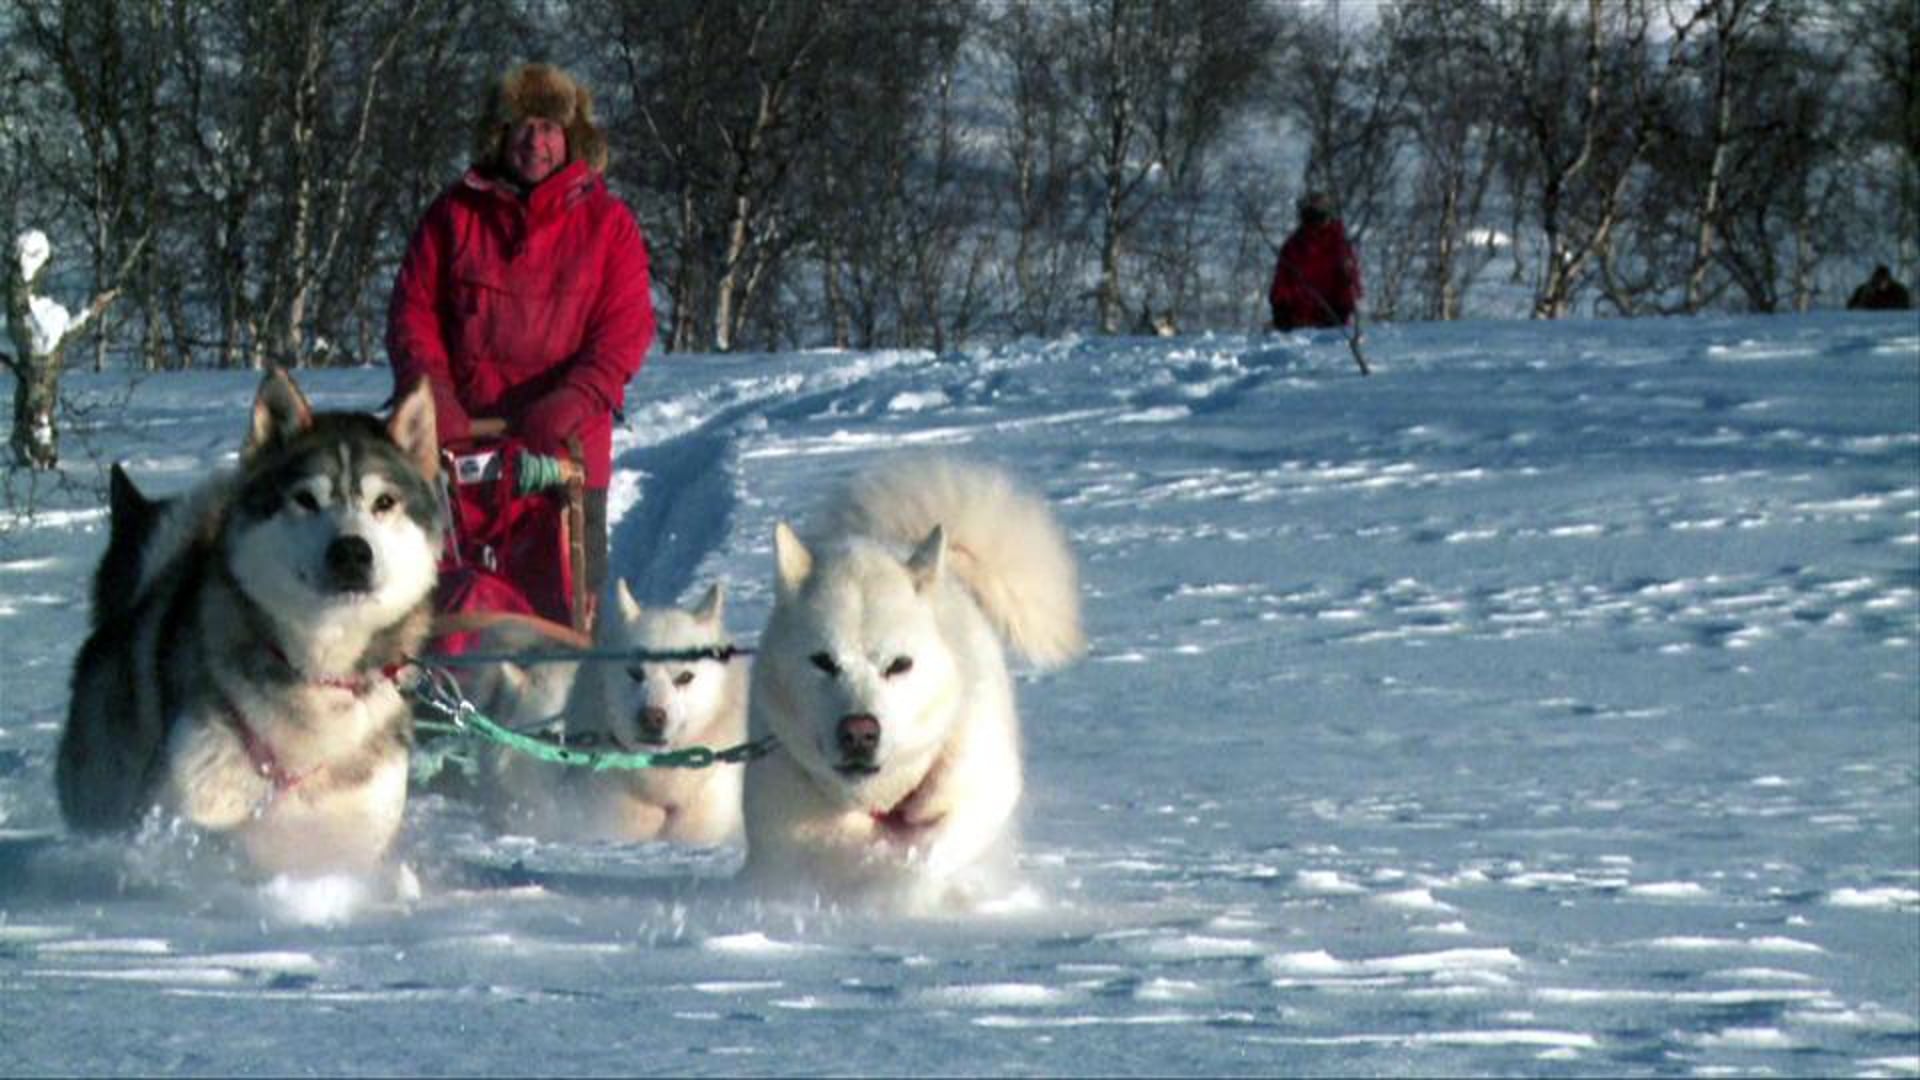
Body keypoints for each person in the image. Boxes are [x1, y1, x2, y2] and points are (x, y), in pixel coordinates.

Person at [388, 62, 655, 624]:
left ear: (571, 138)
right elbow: (413, 315)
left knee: (566, 620)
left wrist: (573, 400)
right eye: (523, 127)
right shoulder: (453, 215)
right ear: (500, 136)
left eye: (550, 127)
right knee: (453, 615)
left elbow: (624, 331)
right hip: (462, 452)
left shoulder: (609, 224)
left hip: (566, 455)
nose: (536, 141)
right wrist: (433, 397)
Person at [1269, 190, 1362, 332]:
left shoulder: (1339, 245)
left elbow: (1350, 283)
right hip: (1297, 326)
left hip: (1331, 326)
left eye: (1319, 215)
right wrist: (1281, 308)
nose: (1314, 221)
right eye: (1309, 215)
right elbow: (1282, 281)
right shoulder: (1293, 246)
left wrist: (1342, 309)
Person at [1846, 265, 1913, 311]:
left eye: (1885, 280)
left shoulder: (1898, 290)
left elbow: (1905, 307)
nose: (1882, 283)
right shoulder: (1865, 290)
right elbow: (1851, 306)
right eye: (1880, 280)